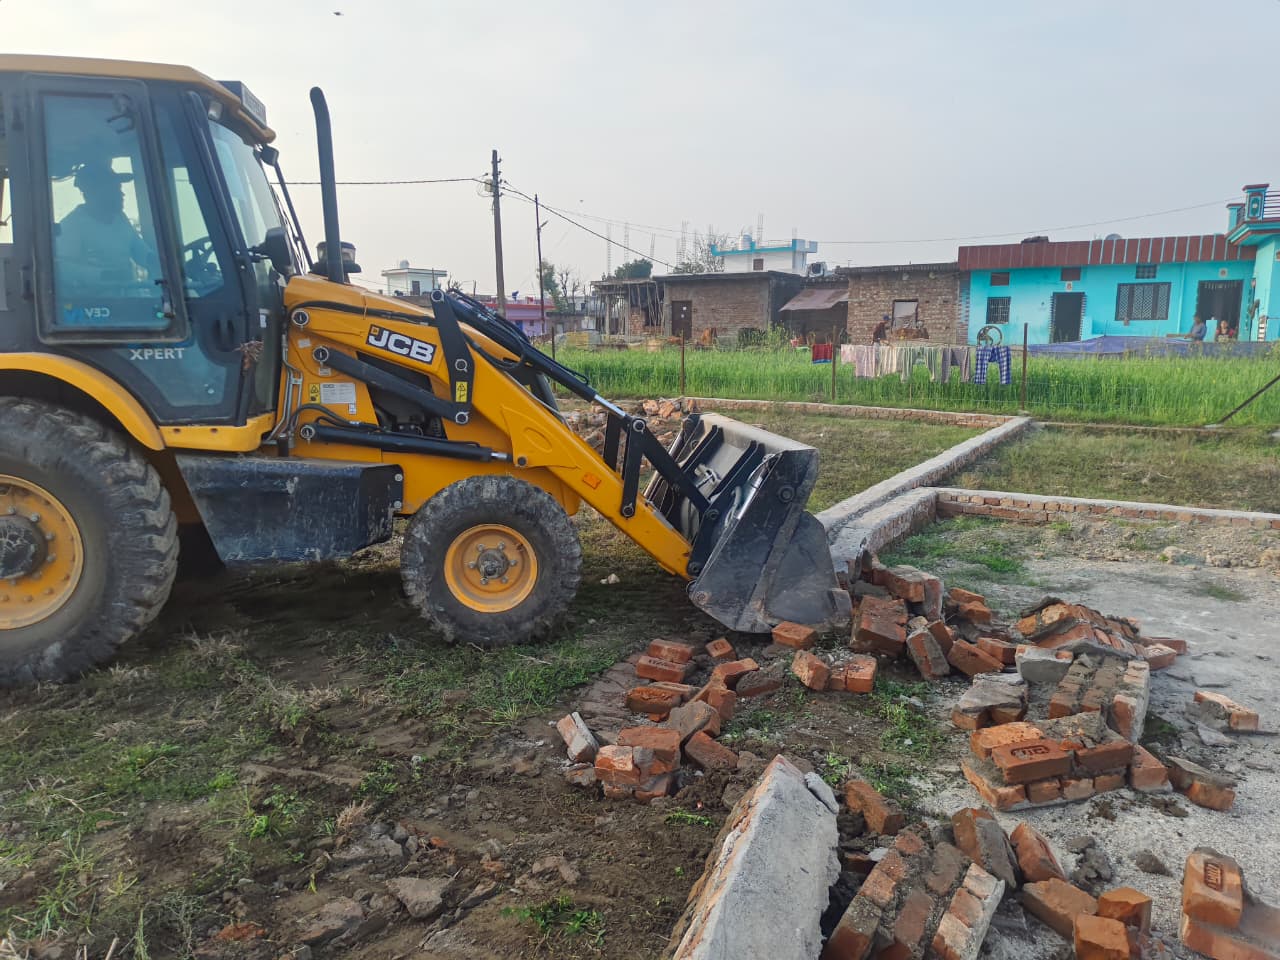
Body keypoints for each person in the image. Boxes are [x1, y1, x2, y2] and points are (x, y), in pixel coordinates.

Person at [55, 161, 155, 292]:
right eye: (115, 189)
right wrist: (104, 275)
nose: (122, 194)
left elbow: (141, 252)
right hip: (93, 305)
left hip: (129, 300)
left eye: (119, 188)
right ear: (93, 192)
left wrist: (166, 264)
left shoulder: (120, 219)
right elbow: (63, 270)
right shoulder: (71, 226)